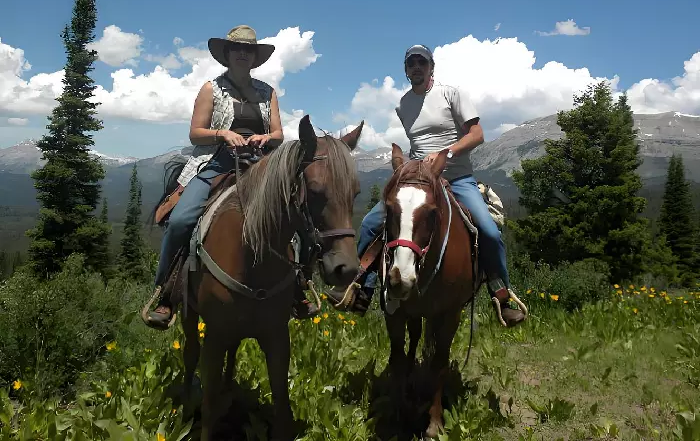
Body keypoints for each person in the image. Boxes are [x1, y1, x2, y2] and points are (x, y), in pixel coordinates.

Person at [326, 44, 526, 327]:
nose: (416, 67)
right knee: (372, 223)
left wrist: (448, 154)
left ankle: (501, 292)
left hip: (457, 178)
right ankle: (362, 287)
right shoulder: (403, 105)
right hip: (421, 180)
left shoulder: (451, 94)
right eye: (411, 64)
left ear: (432, 67)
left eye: (422, 62)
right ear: (406, 71)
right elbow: (418, 144)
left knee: (489, 231)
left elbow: (478, 134)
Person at [144, 25, 319, 329]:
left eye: (248, 50)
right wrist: (223, 134)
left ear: (254, 57)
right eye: (237, 49)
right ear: (227, 54)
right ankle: (166, 293)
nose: (242, 53)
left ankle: (298, 286)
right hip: (216, 162)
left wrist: (267, 138)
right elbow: (195, 133)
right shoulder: (211, 89)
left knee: (298, 218)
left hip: (261, 164)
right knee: (183, 220)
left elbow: (278, 133)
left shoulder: (267, 92)